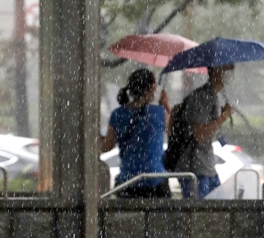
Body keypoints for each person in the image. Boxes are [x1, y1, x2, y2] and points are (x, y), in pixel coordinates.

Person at [101, 68, 172, 198]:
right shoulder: (159, 113)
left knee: (127, 218)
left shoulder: (118, 115)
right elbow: (173, 132)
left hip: (128, 183)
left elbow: (106, 147)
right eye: (154, 87)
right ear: (149, 89)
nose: (155, 90)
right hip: (156, 182)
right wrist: (165, 105)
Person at [175, 64, 235, 198]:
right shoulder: (202, 97)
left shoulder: (214, 96)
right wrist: (223, 117)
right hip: (195, 168)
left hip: (207, 166)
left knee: (216, 212)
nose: (231, 74)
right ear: (217, 71)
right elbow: (200, 135)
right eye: (228, 69)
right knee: (200, 215)